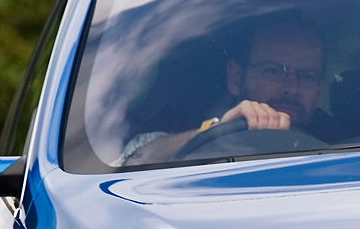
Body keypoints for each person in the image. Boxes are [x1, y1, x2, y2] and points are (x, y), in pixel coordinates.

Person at [120, 13, 331, 165]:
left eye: (307, 76)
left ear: (320, 93)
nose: (292, 88)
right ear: (236, 78)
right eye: (274, 71)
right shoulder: (188, 121)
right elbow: (131, 161)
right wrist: (217, 131)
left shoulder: (349, 141)